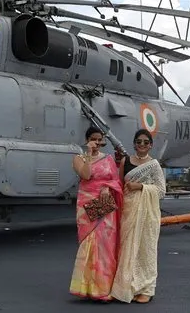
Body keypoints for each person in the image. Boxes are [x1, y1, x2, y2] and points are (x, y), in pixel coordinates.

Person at [110, 128, 166, 304]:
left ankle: (146, 289)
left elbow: (161, 191)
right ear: (134, 143)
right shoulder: (125, 161)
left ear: (151, 145)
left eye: (146, 142)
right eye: (139, 141)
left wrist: (141, 187)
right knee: (126, 248)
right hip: (128, 210)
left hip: (147, 214)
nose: (142, 144)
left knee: (145, 249)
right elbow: (119, 185)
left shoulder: (154, 165)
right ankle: (127, 287)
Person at [69, 126, 124, 302]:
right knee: (90, 244)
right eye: (94, 139)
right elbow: (86, 175)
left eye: (100, 140)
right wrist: (89, 153)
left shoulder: (108, 159)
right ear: (87, 140)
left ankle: (103, 288)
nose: (98, 143)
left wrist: (108, 188)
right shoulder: (78, 159)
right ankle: (86, 287)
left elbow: (116, 181)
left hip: (105, 203)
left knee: (105, 245)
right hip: (87, 205)